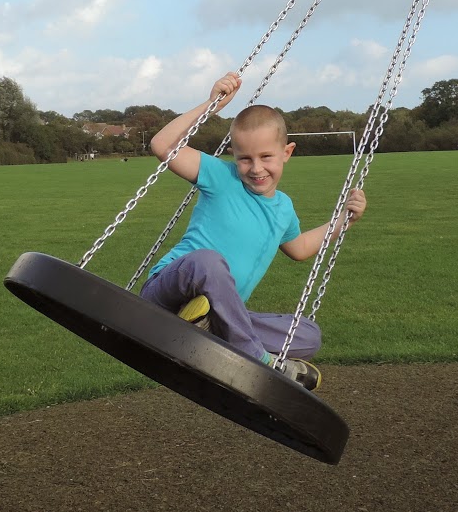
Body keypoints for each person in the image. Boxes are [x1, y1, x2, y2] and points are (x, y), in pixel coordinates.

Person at [141, 70, 366, 392]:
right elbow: (162, 145)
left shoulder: (283, 208)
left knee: (306, 334)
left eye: (266, 157)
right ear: (233, 156)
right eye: (245, 159)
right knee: (207, 261)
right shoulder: (221, 177)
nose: (256, 168)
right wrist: (211, 105)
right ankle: (256, 359)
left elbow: (300, 248)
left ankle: (210, 331)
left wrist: (344, 221)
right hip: (167, 294)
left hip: (217, 315)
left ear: (286, 153)